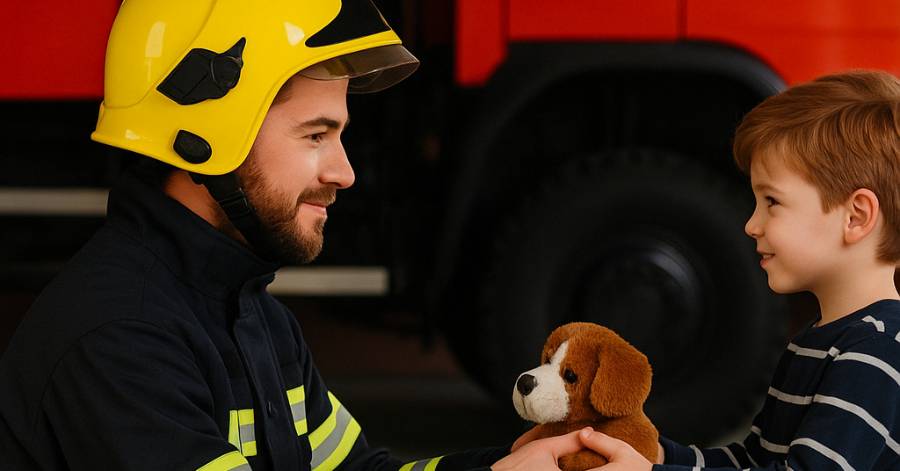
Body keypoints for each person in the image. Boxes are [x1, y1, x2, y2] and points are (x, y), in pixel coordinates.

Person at [0, 1, 589, 469]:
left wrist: (524, 463)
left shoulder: (253, 316)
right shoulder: (119, 342)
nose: (345, 172)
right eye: (315, 135)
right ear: (203, 137)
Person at [561, 71, 900, 470]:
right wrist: (653, 453)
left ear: (856, 217)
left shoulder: (878, 352)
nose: (751, 224)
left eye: (772, 202)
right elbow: (752, 462)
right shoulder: (816, 341)